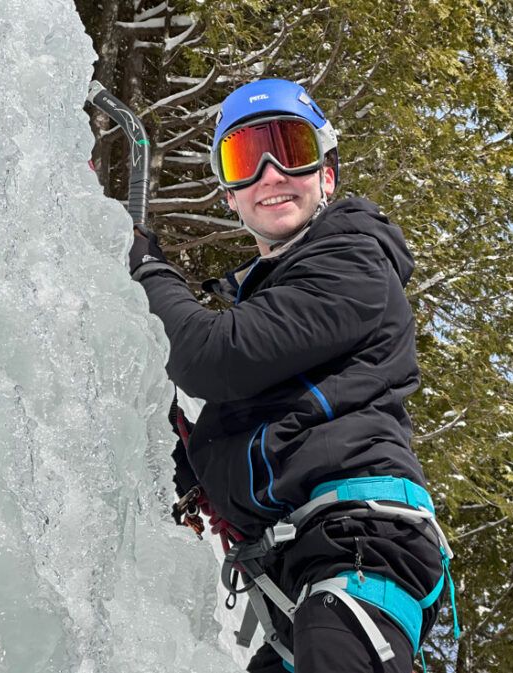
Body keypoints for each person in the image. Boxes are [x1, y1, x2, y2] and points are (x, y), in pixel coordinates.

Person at [129, 78, 455, 673]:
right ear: (229, 192)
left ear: (326, 175)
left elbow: (211, 356)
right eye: (246, 158)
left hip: (362, 545)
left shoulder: (354, 261)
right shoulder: (276, 297)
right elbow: (256, 420)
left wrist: (148, 271)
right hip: (299, 570)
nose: (272, 174)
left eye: (292, 150)